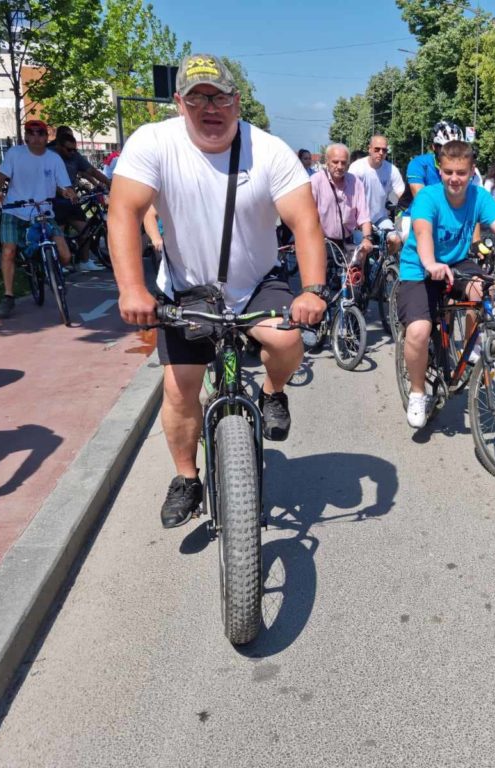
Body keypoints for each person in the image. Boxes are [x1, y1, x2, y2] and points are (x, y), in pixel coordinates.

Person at [109, 53, 327, 528]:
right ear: (179, 103)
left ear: (237, 101)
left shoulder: (269, 150)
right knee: (180, 387)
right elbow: (124, 212)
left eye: (220, 97)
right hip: (187, 288)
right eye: (196, 97)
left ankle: (272, 391)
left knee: (288, 339)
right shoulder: (153, 142)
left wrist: (312, 290)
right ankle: (187, 478)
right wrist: (132, 289)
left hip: (256, 283)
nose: (210, 107)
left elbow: (305, 223)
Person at [397, 139, 495, 427]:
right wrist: (430, 263)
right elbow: (423, 232)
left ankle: (473, 348)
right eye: (449, 172)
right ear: (440, 171)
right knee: (419, 330)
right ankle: (418, 392)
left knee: (485, 288)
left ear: (471, 172)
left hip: (455, 263)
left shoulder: (479, 197)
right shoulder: (428, 198)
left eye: (462, 173)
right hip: (420, 267)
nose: (455, 179)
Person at [0, 119, 76, 318]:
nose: (37, 137)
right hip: (15, 210)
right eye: (32, 133)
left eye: (41, 133)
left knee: (66, 256)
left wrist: (69, 193)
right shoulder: (15, 154)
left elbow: (64, 185)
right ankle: (8, 296)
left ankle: (50, 271)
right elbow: (0, 178)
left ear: (47, 137)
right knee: (9, 250)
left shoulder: (54, 159)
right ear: (26, 137)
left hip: (43, 212)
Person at [48, 129, 110, 271]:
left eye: (74, 149)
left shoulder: (75, 156)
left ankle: (85, 261)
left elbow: (91, 171)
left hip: (72, 199)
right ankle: (59, 265)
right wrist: (61, 191)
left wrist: (107, 183)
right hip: (55, 201)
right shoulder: (50, 155)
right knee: (59, 234)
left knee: (85, 230)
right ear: (59, 146)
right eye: (69, 149)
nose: (72, 152)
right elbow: (47, 180)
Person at [309, 143, 373, 268]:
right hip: (323, 242)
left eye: (343, 163)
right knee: (322, 284)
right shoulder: (315, 181)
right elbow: (308, 216)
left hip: (347, 241)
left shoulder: (355, 182)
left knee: (354, 279)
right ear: (327, 161)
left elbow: (364, 216)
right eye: (335, 162)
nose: (339, 166)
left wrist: (367, 238)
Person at [348, 134, 405, 253]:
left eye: (384, 150)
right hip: (359, 221)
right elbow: (349, 197)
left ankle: (386, 265)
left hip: (380, 218)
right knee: (362, 250)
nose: (380, 152)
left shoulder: (391, 170)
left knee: (396, 240)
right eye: (377, 149)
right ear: (369, 149)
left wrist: (399, 227)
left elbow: (401, 199)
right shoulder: (357, 168)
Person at [405, 120, 464, 197]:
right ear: (434, 147)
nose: (452, 153)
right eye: (446, 148)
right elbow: (421, 201)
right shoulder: (418, 164)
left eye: (457, 148)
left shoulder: (468, 168)